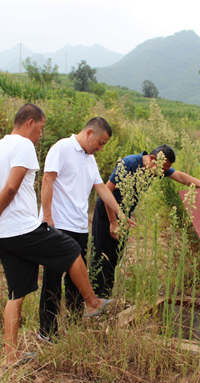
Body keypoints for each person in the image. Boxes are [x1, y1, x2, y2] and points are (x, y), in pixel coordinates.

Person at [0, 103, 111, 368]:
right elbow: (12, 186)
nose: (41, 135)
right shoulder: (24, 146)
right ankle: (93, 303)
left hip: (2, 237)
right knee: (71, 250)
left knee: (17, 292)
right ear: (29, 123)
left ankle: (10, 357)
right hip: (22, 229)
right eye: (41, 128)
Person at [38, 117, 131, 343]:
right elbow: (47, 180)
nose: (100, 149)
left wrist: (120, 212)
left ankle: (75, 322)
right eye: (100, 143)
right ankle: (47, 331)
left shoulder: (90, 160)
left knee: (75, 280)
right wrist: (47, 217)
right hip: (58, 225)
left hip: (79, 226)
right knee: (53, 278)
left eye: (103, 146)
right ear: (89, 133)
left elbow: (101, 188)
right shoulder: (62, 148)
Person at [91, 145, 200, 298]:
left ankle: (105, 297)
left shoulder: (158, 166)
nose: (162, 173)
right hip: (107, 211)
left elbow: (180, 177)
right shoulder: (129, 163)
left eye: (165, 170)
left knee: (115, 256)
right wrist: (113, 222)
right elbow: (106, 191)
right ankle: (94, 299)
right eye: (162, 169)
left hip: (125, 215)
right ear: (152, 159)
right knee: (101, 254)